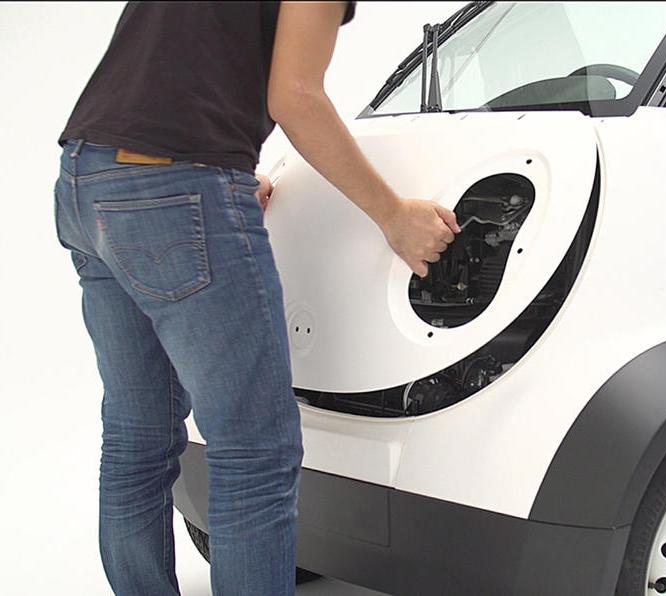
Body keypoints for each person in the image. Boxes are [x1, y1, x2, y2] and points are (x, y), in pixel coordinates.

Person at [53, 2, 460, 595]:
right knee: (253, 454)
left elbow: (172, 63)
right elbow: (295, 96)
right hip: (174, 182)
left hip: (85, 178)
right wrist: (393, 214)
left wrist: (222, 171)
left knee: (137, 437)